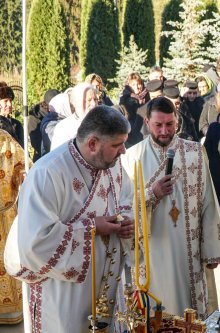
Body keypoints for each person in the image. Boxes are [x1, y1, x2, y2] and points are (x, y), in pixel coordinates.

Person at [5, 106, 135, 332]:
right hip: (63, 292)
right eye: (117, 144)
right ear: (92, 144)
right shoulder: (48, 173)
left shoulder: (112, 164)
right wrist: (93, 228)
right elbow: (36, 243)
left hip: (107, 283)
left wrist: (126, 221)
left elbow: (126, 197)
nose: (124, 150)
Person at [121, 97, 220, 318]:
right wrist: (152, 194)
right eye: (158, 125)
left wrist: (212, 250)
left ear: (176, 122)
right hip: (151, 253)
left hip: (187, 251)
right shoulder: (132, 157)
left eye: (169, 124)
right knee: (153, 314)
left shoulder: (194, 153)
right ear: (147, 122)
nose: (164, 131)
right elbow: (122, 210)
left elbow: (208, 201)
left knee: (188, 313)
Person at [0, 130, 28, 325]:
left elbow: (23, 165)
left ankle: (9, 313)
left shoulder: (3, 138)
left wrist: (23, 175)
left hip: (5, 214)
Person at [51, 83, 98, 150]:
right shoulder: (63, 128)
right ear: (76, 103)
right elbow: (57, 157)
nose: (93, 104)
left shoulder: (104, 121)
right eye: (89, 100)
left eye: (95, 99)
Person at [120, 73, 150, 147]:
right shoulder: (126, 99)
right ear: (129, 86)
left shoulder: (147, 96)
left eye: (138, 84)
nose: (136, 87)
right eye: (133, 85)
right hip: (132, 135)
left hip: (146, 133)